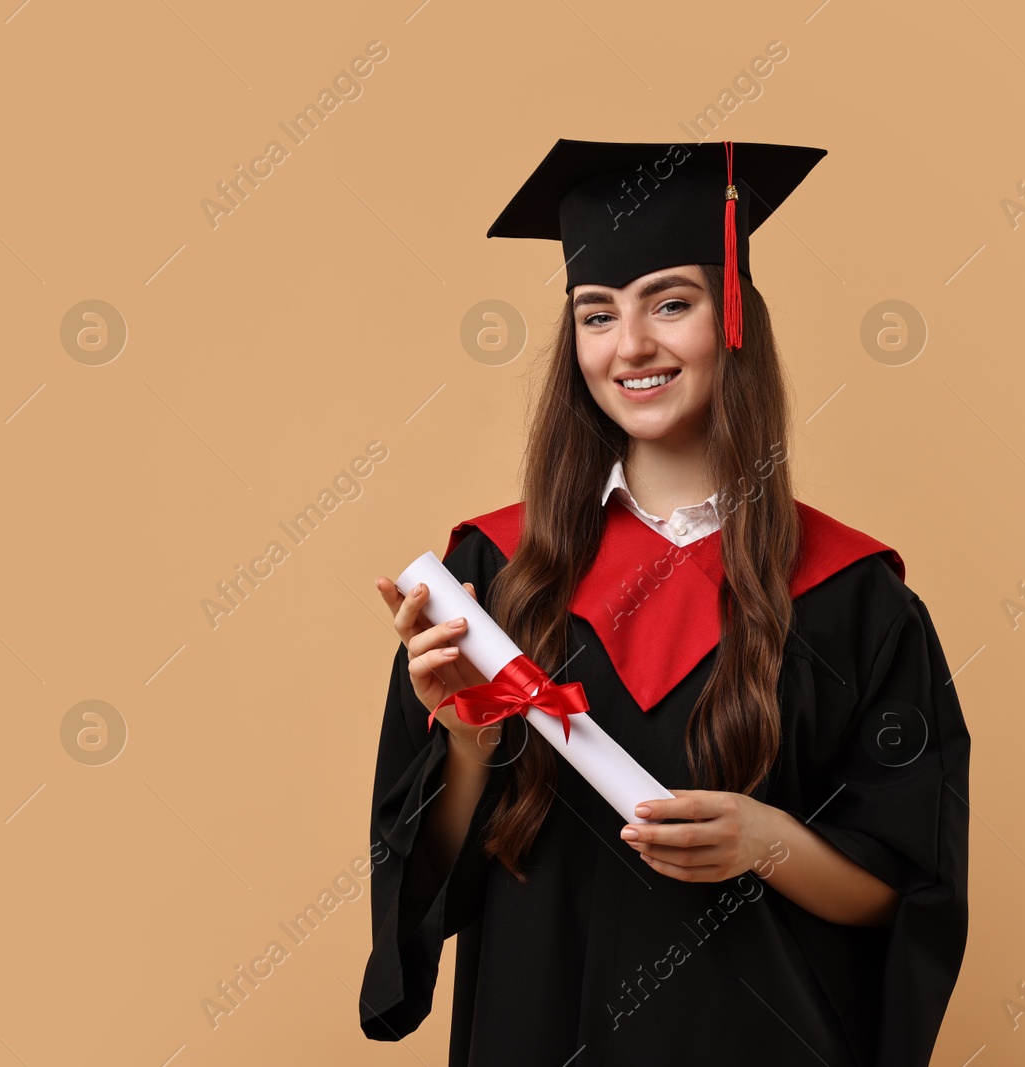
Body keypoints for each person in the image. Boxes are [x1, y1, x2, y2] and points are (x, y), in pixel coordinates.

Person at [359, 138, 970, 1066]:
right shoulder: (495, 579)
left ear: (733, 319)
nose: (631, 345)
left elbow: (907, 890)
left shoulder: (852, 598)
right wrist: (467, 738)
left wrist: (770, 842)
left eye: (670, 303)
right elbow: (433, 881)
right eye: (596, 315)